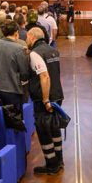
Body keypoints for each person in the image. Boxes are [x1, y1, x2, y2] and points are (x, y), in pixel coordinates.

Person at [27, 27, 65, 174]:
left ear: (31, 37)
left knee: (43, 130)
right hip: (58, 94)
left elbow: (44, 76)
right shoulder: (53, 50)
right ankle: (59, 160)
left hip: (46, 98)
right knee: (54, 128)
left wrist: (45, 100)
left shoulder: (35, 53)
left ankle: (51, 165)